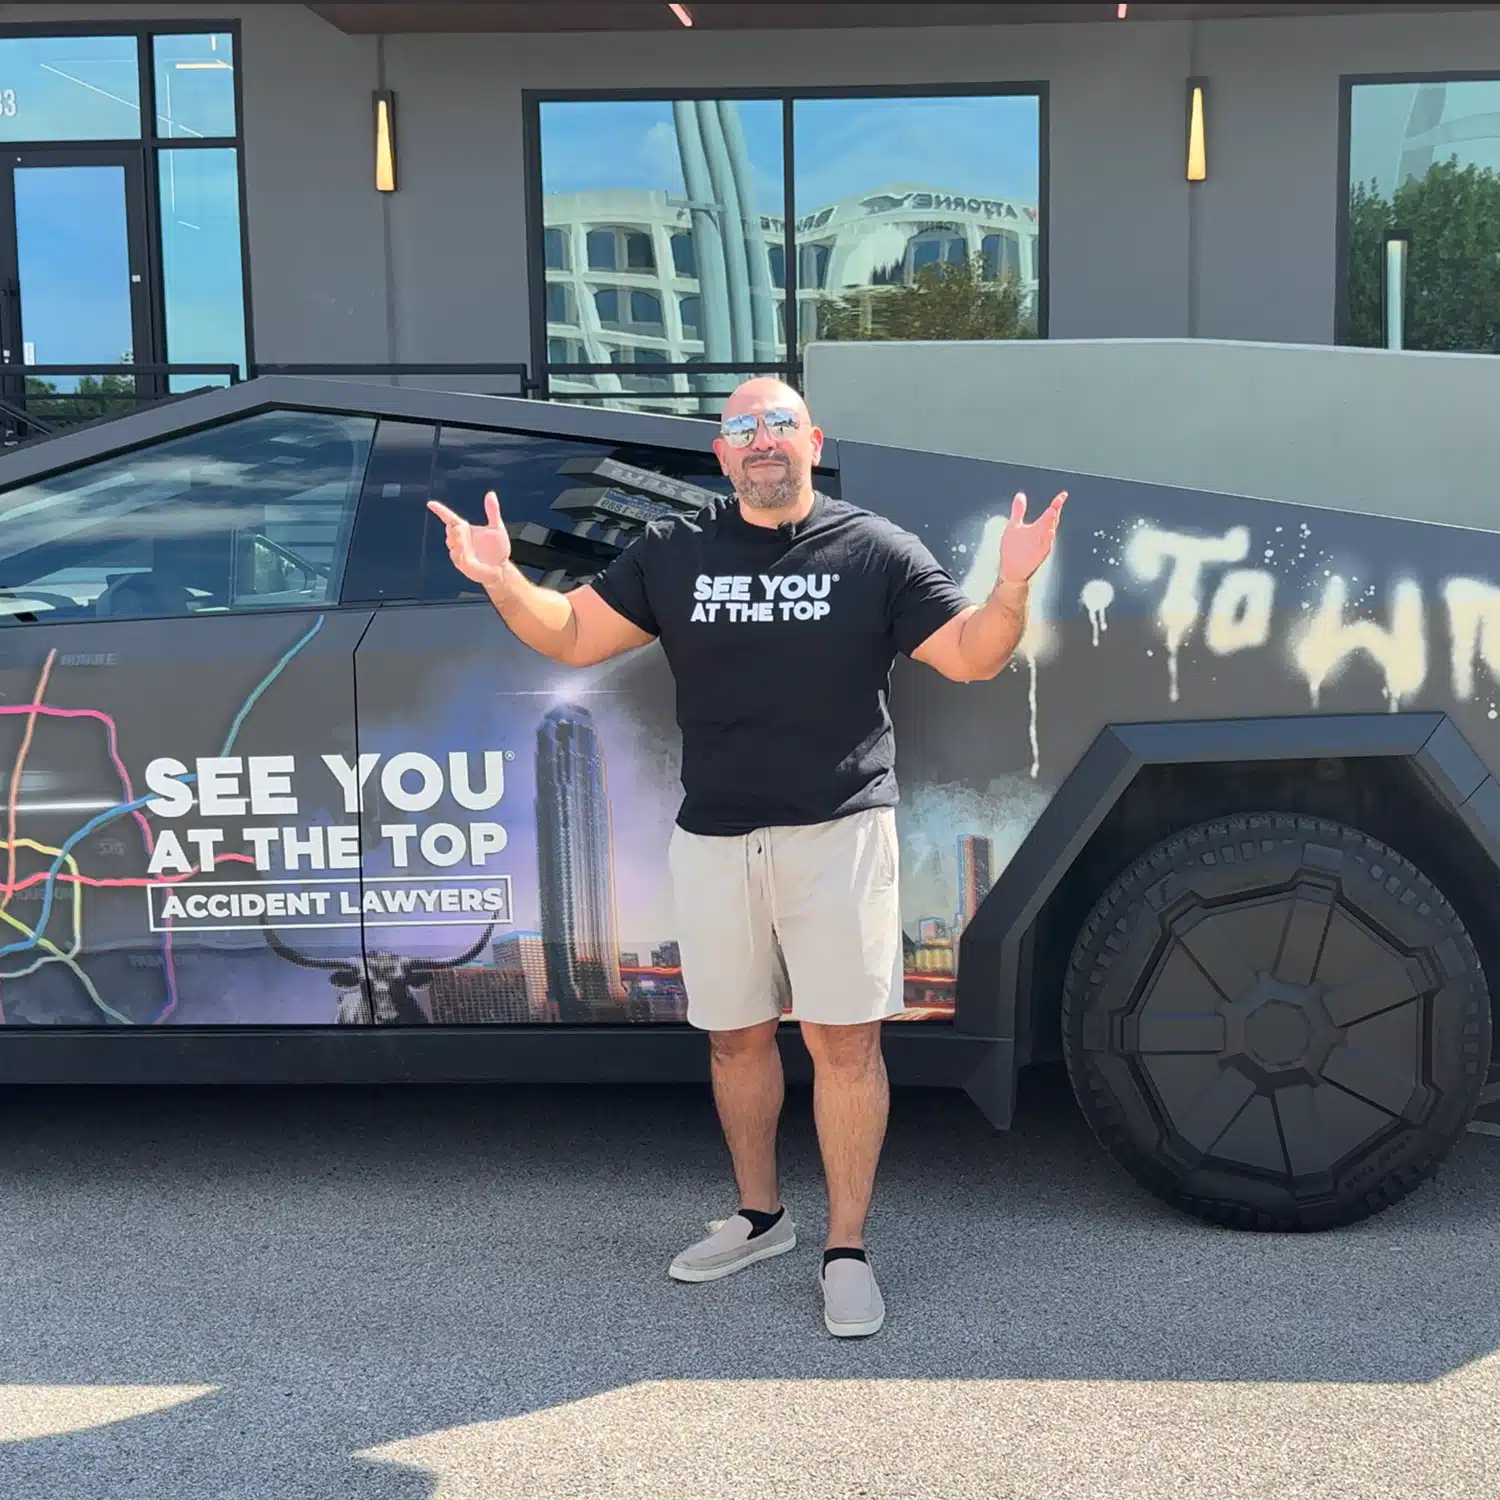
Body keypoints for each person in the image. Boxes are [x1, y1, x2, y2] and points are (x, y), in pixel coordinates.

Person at [428, 377, 1063, 1338]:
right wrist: (501, 577)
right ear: (722, 456)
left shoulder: (875, 550)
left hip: (840, 831)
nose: (762, 441)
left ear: (813, 440)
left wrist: (1012, 583)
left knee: (845, 1044)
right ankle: (760, 1216)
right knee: (734, 1036)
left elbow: (973, 655)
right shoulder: (675, 551)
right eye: (741, 430)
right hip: (715, 836)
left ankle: (845, 1250)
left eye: (778, 424)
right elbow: (570, 637)